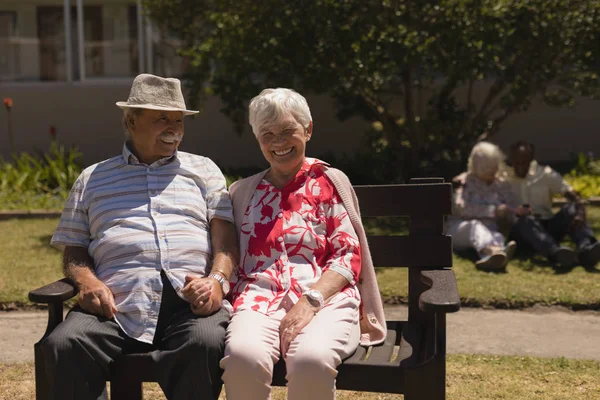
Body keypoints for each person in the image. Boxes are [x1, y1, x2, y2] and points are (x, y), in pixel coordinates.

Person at [41, 74, 238, 400]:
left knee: (205, 341)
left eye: (178, 120)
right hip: (115, 309)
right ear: (131, 121)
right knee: (64, 343)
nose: (174, 128)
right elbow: (74, 250)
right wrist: (86, 282)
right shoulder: (93, 178)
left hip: (188, 307)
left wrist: (216, 280)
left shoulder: (203, 171)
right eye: (162, 118)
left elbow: (226, 243)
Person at [220, 88, 386, 400]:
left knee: (311, 361)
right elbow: (231, 258)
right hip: (258, 302)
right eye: (267, 134)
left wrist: (310, 300)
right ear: (257, 139)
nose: (278, 143)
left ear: (307, 130)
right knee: (242, 359)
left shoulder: (329, 181)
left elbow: (349, 254)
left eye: (287, 131)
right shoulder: (243, 192)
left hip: (325, 301)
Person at [504, 140, 600, 268]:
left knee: (571, 209)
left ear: (531, 159)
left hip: (547, 226)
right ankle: (555, 253)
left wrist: (580, 214)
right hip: (522, 232)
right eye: (516, 162)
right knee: (525, 220)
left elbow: (574, 196)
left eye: (524, 162)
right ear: (511, 160)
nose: (520, 166)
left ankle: (587, 249)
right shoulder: (503, 179)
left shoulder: (546, 174)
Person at [447, 142, 519, 271]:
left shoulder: (501, 184)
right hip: (460, 228)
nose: (492, 172)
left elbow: (512, 207)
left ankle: (491, 257)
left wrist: (507, 212)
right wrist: (493, 211)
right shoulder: (463, 182)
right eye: (487, 168)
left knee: (497, 235)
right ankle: (495, 252)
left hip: (490, 230)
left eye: (494, 167)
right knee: (475, 226)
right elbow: (461, 209)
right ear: (476, 165)